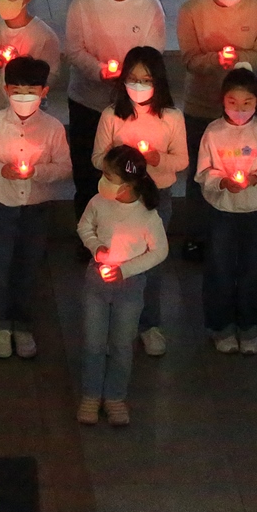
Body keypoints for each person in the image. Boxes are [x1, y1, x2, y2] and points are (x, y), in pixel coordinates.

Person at [0, 56, 70, 360]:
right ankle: (1, 325)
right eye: (17, 91)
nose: (23, 98)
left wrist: (37, 172)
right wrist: (1, 169)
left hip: (36, 207)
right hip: (0, 204)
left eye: (31, 92)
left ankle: (23, 324)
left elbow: (63, 166)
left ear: (44, 92)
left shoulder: (52, 128)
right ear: (6, 90)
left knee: (28, 266)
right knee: (0, 265)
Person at [175, 0, 257, 262]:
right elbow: (189, 59)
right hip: (202, 104)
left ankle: (237, 236)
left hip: (244, 108)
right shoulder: (192, 9)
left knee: (242, 169)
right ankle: (197, 236)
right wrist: (216, 59)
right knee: (201, 174)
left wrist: (238, 58)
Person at [91, 46, 188, 357]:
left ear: (158, 81)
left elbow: (182, 160)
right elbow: (97, 158)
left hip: (156, 199)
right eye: (133, 78)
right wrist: (123, 161)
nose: (139, 85)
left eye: (146, 80)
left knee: (151, 263)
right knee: (117, 261)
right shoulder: (112, 115)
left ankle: (149, 324)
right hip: (118, 201)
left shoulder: (171, 117)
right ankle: (116, 326)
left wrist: (158, 159)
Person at [65, 0, 166, 220]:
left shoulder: (149, 6)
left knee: (128, 174)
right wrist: (99, 70)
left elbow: (153, 55)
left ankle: (127, 230)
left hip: (131, 105)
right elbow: (73, 49)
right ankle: (88, 231)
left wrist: (129, 78)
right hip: (88, 101)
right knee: (87, 174)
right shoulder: (84, 1)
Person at [196, 69, 257, 355]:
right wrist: (223, 182)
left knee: (254, 269)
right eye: (232, 102)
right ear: (222, 100)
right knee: (220, 268)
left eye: (247, 103)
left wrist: (255, 179)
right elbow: (203, 172)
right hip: (222, 210)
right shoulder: (214, 132)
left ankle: (248, 326)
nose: (239, 109)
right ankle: (221, 326)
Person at [75, 145, 167, 427]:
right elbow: (84, 227)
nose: (102, 179)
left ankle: (115, 396)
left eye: (108, 175)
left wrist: (125, 270)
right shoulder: (98, 202)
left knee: (121, 344)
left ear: (128, 183)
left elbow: (159, 251)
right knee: (93, 343)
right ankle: (91, 395)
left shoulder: (146, 214)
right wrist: (96, 247)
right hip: (96, 283)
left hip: (130, 287)